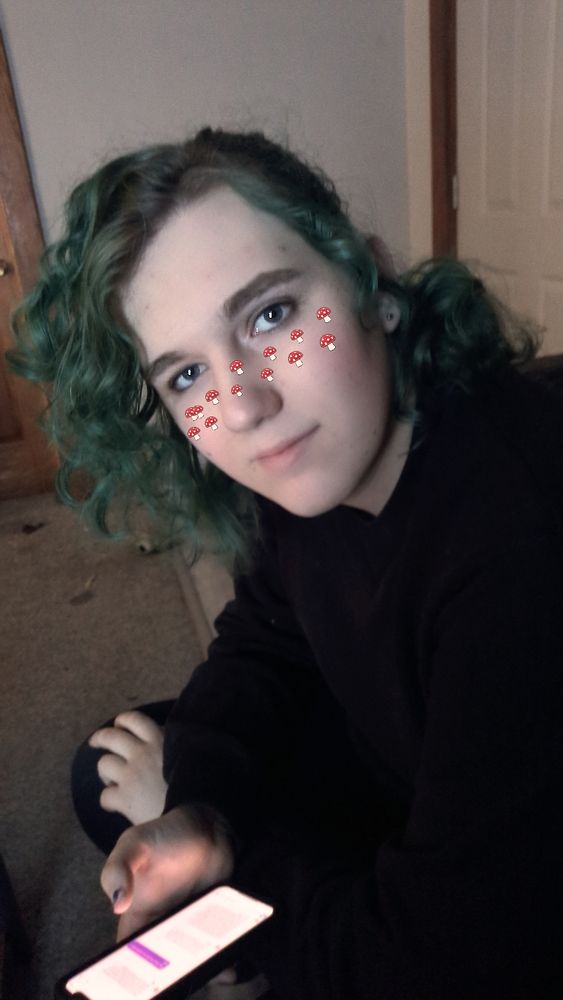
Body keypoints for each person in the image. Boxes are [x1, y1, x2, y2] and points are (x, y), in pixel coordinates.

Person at [7, 126, 563, 1000]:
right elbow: (264, 635)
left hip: (488, 889)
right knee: (111, 777)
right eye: (186, 376)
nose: (243, 405)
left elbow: (439, 960)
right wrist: (197, 807)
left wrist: (237, 869)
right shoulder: (315, 455)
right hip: (391, 760)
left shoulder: (515, 549)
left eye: (270, 317)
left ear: (371, 280)